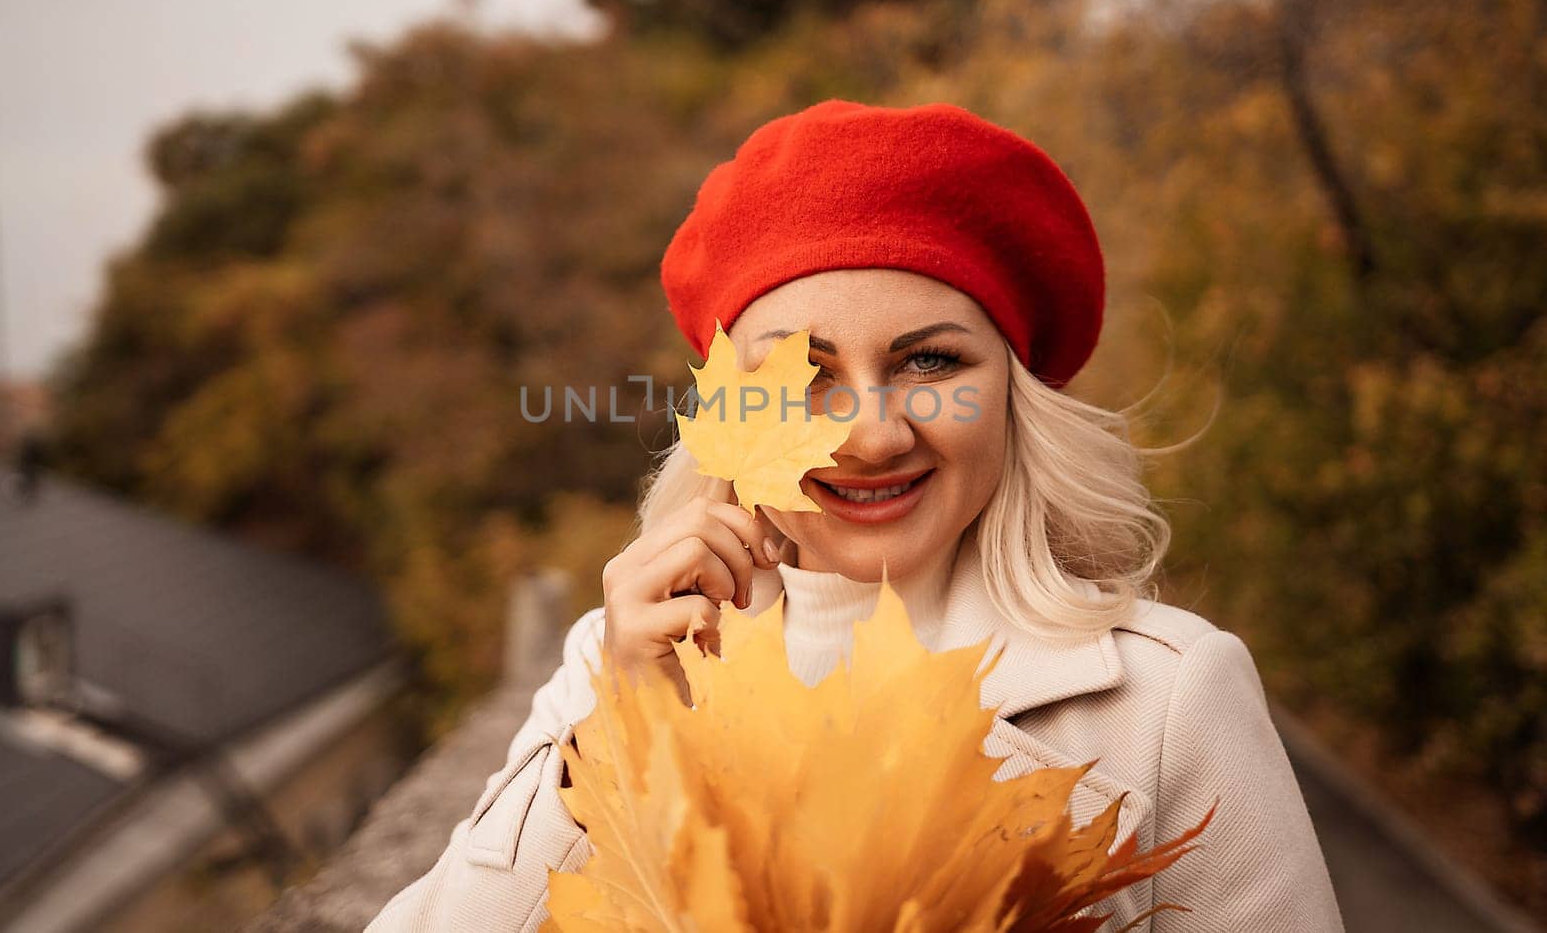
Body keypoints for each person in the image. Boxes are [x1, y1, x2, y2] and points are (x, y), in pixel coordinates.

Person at [367, 100, 1346, 932]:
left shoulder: (1166, 690)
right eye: (804, 374)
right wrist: (619, 730)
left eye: (931, 362)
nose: (873, 435)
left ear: (1012, 395)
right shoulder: (615, 662)